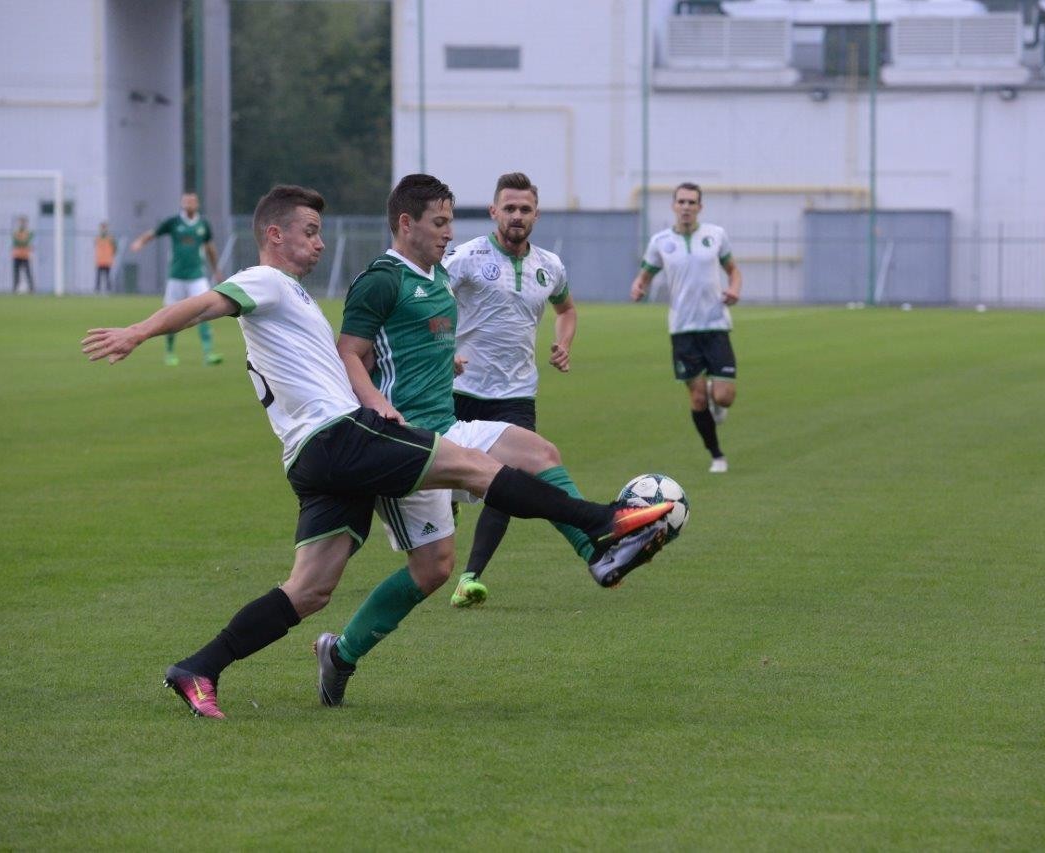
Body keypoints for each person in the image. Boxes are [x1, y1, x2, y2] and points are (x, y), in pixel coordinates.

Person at [81, 183, 672, 719]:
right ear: (274, 235)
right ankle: (601, 523)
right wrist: (138, 332)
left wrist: (438, 362)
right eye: (309, 232)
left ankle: (199, 667)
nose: (318, 243)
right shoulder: (265, 281)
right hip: (338, 435)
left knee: (310, 589)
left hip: (309, 458)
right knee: (477, 468)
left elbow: (336, 362)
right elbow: (209, 303)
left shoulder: (295, 299)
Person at [316, 173, 659, 708]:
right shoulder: (382, 279)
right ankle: (340, 655)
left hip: (449, 424)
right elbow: (348, 353)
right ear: (407, 223)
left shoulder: (433, 278)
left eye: (452, 221)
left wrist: (443, 354)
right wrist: (378, 406)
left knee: (541, 455)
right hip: (404, 442)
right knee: (432, 571)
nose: (449, 232)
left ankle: (598, 550)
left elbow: (430, 334)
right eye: (440, 222)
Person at [440, 172, 578, 608]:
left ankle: (470, 577)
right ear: (493, 211)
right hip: (460, 390)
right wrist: (444, 349)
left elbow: (567, 309)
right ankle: (449, 499)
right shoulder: (464, 258)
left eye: (525, 209)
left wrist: (563, 342)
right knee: (444, 482)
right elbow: (430, 300)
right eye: (510, 208)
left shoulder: (549, 266)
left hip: (517, 395)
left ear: (536, 214)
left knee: (508, 483)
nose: (517, 216)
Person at [630, 182, 741, 473]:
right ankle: (717, 455)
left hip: (716, 324)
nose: (687, 207)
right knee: (696, 397)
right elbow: (646, 274)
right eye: (682, 202)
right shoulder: (661, 241)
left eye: (692, 202)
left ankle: (717, 401)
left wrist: (735, 289)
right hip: (682, 329)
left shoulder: (715, 235)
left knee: (724, 396)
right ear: (673, 206)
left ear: (700, 207)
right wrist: (639, 285)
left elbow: (733, 270)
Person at [129, 192, 224, 366]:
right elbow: (154, 233)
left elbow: (210, 248)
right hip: (176, 277)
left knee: (204, 311)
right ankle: (170, 352)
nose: (189, 204)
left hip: (197, 276)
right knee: (171, 313)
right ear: (181, 203)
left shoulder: (203, 224)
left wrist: (216, 269)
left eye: (192, 201)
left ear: (197, 204)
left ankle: (208, 352)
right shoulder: (173, 222)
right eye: (186, 201)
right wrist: (140, 242)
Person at [11, 216, 34, 294]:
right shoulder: (15, 232)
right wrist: (23, 242)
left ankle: (31, 289)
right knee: (16, 273)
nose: (22, 224)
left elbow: (26, 241)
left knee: (28, 273)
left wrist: (22, 242)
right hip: (16, 255)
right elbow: (16, 242)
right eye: (21, 222)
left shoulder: (28, 232)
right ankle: (15, 288)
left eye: (23, 222)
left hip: (25, 255)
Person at [94, 221, 116, 294]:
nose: (103, 229)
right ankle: (97, 290)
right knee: (98, 276)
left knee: (107, 276)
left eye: (104, 227)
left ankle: (108, 290)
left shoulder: (110, 238)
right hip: (100, 260)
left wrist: (112, 255)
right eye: (102, 227)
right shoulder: (97, 238)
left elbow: (115, 248)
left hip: (107, 260)